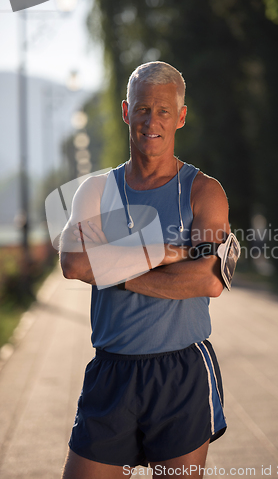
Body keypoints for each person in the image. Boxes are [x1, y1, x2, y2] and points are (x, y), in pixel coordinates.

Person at [60, 61, 231, 479]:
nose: (151, 120)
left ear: (181, 117)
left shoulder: (204, 192)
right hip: (111, 370)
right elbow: (73, 263)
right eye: (141, 109)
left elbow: (207, 279)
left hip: (180, 372)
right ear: (125, 111)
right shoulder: (96, 192)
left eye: (163, 111)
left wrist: (115, 270)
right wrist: (168, 251)